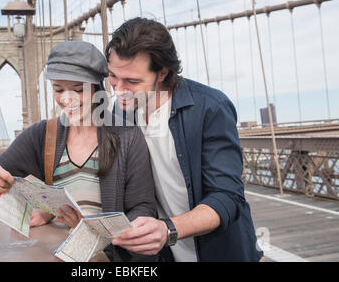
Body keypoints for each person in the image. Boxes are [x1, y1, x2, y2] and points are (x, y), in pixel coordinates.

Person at [0, 40, 157, 261]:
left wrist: (91, 231)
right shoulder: (42, 135)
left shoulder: (127, 136)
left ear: (96, 88)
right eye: (58, 89)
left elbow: (143, 209)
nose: (67, 99)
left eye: (77, 89)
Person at [106, 17, 263, 262]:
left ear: (162, 73)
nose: (118, 89)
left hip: (220, 252)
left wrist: (167, 229)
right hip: (162, 256)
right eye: (113, 77)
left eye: (132, 81)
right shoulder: (119, 111)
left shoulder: (211, 107)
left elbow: (227, 196)